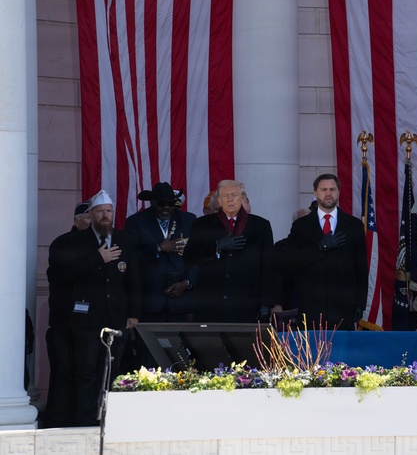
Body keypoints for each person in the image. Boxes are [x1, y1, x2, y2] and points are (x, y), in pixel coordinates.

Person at [48, 190, 140, 426]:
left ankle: (110, 418)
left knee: (112, 370)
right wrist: (98, 259)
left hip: (116, 317)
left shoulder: (124, 239)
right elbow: (62, 274)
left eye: (109, 211)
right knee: (87, 370)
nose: (105, 216)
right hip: (86, 319)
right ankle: (86, 419)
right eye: (100, 212)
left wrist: (134, 313)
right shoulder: (75, 241)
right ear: (91, 214)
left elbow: (134, 278)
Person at [280, 174, 368, 330]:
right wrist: (320, 248)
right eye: (323, 189)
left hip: (343, 305)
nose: (328, 193)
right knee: (312, 353)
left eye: (332, 189)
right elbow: (290, 261)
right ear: (315, 193)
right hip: (311, 305)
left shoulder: (353, 225)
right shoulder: (301, 225)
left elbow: (360, 267)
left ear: (339, 192)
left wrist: (360, 304)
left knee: (342, 352)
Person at [184, 180, 277, 323]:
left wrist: (266, 304)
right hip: (211, 304)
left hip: (247, 303)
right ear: (219, 200)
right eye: (225, 196)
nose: (230, 199)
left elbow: (268, 267)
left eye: (234, 195)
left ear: (242, 198)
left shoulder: (260, 225)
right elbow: (189, 258)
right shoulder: (202, 224)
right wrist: (216, 248)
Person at [42, 202, 90, 427]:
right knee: (65, 370)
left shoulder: (104, 244)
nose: (92, 221)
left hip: (90, 323)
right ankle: (58, 419)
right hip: (65, 322)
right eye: (88, 216)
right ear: (76, 220)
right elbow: (65, 275)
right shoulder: (62, 244)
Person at [126, 182, 197, 322]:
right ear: (152, 202)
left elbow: (196, 257)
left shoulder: (188, 220)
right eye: (161, 204)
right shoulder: (136, 222)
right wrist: (159, 248)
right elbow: (129, 258)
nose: (166, 208)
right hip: (149, 303)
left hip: (181, 303)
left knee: (180, 343)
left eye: (170, 204)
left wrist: (187, 282)